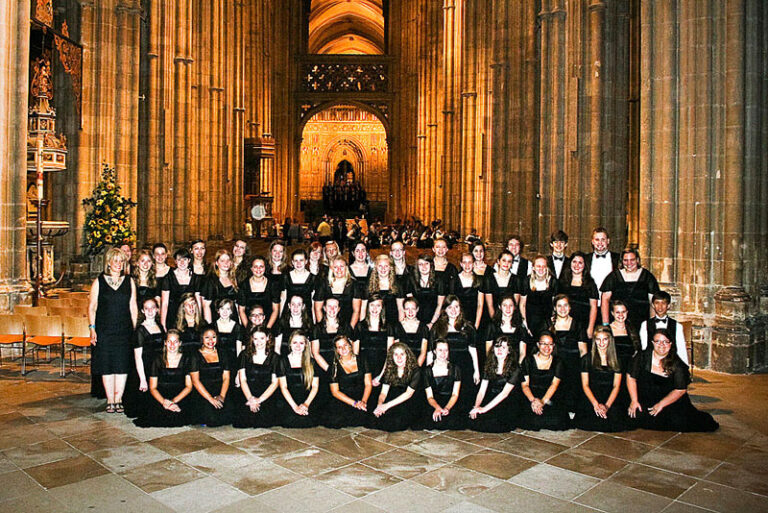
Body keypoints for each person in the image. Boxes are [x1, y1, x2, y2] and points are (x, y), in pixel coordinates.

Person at [627, 329, 718, 432]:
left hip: (669, 400)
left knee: (678, 422)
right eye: (658, 341)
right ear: (652, 343)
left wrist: (661, 404)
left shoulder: (677, 364)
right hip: (645, 397)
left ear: (671, 344)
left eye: (665, 341)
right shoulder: (642, 357)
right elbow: (631, 377)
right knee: (634, 416)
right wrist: (634, 401)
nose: (662, 345)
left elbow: (680, 390)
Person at [88, 247, 138, 413]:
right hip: (105, 329)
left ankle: (119, 399)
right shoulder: (99, 281)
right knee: (107, 365)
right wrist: (92, 329)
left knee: (122, 364)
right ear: (108, 262)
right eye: (115, 260)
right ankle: (110, 400)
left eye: (121, 261)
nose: (118, 264)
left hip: (124, 329)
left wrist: (134, 328)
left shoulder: (129, 281)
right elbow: (92, 307)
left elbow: (133, 306)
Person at [134, 329, 193, 427]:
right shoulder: (157, 359)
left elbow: (188, 387)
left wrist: (173, 402)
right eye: (169, 341)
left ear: (180, 343)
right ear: (165, 343)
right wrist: (164, 402)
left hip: (179, 395)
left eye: (175, 342)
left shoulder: (186, 359)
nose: (172, 345)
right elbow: (153, 388)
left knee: (182, 415)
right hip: (161, 394)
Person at [573, 327, 628, 432]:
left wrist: (607, 406)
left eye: (605, 339)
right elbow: (585, 385)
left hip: (610, 396)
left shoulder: (617, 359)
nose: (601, 343)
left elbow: (616, 386)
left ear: (610, 340)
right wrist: (596, 405)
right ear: (594, 341)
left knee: (615, 422)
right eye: (598, 339)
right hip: (592, 395)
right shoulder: (587, 359)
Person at [430, 296, 480, 400]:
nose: (453, 310)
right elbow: (431, 351)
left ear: (460, 308)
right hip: (445, 366)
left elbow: (473, 349)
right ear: (445, 309)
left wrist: (477, 370)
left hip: (465, 366)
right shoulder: (437, 327)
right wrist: (429, 372)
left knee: (465, 397)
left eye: (456, 307)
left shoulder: (469, 327)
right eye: (450, 307)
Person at [469, 336, 521, 432]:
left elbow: (504, 394)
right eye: (497, 346)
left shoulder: (515, 368)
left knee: (495, 423)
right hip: (492, 397)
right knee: (473, 419)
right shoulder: (489, 364)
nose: (499, 349)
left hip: (507, 401)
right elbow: (482, 390)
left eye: (503, 347)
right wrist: (477, 406)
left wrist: (484, 409)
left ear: (509, 351)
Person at [124, 297, 165, 419]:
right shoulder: (140, 331)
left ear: (157, 309)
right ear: (142, 311)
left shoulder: (160, 326)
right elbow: (138, 357)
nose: (150, 311)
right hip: (145, 368)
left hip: (158, 367)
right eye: (146, 308)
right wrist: (142, 379)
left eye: (153, 307)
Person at [519, 331, 569, 431]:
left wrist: (542, 401)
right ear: (538, 344)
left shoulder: (558, 362)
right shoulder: (528, 360)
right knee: (531, 420)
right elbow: (525, 386)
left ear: (554, 345)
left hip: (549, 396)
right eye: (544, 344)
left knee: (556, 421)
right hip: (531, 396)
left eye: (550, 344)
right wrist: (534, 401)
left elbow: (554, 385)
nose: (547, 347)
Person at [600, 248, 660, 330]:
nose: (629, 263)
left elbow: (652, 303)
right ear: (622, 261)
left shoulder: (647, 276)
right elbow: (605, 300)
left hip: (641, 322)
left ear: (637, 260)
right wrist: (606, 323)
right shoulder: (613, 276)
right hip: (618, 322)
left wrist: (651, 325)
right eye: (625, 260)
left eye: (632, 260)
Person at [550, 294, 589, 414]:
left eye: (565, 305)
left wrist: (584, 369)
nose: (562, 309)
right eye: (559, 306)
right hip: (554, 364)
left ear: (570, 307)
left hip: (573, 364)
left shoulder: (578, 324)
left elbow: (583, 350)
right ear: (555, 308)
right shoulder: (547, 324)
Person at [233, 327, 279, 428]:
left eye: (262, 338)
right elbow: (243, 379)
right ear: (252, 339)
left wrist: (259, 400)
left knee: (265, 421)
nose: (259, 342)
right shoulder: (244, 354)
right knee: (241, 422)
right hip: (248, 392)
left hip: (266, 394)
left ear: (267, 338)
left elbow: (274, 383)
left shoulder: (274, 357)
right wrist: (250, 398)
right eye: (255, 339)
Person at [323, 335, 373, 428]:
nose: (343, 349)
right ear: (336, 350)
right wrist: (354, 403)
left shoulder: (362, 360)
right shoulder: (334, 366)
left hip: (362, 395)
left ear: (350, 345)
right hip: (345, 398)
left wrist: (363, 401)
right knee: (335, 420)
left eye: (345, 345)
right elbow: (335, 392)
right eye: (339, 347)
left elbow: (368, 384)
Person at [371, 343, 422, 431]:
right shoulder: (389, 369)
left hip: (409, 399)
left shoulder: (416, 371)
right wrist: (380, 405)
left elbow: (408, 394)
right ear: (392, 357)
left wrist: (386, 406)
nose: (399, 358)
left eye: (402, 354)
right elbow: (383, 393)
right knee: (376, 417)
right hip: (394, 396)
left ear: (407, 355)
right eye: (396, 354)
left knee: (397, 423)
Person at [188, 327, 233, 426]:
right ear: (202, 339)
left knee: (229, 417)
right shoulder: (195, 355)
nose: (211, 340)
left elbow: (226, 377)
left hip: (220, 390)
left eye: (213, 337)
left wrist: (222, 396)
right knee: (212, 419)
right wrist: (211, 399)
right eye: (207, 337)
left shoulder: (223, 353)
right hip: (203, 392)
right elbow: (195, 381)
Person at [276, 330, 320, 428]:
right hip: (289, 398)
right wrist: (295, 407)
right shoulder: (282, 361)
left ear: (305, 345)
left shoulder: (312, 362)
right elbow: (283, 387)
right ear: (290, 344)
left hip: (307, 398)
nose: (298, 346)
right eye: (295, 342)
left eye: (301, 343)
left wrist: (306, 404)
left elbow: (315, 386)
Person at [419, 339, 466, 430]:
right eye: (440, 350)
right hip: (434, 402)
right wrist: (438, 408)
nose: (443, 353)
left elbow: (455, 394)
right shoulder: (427, 371)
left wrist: (446, 408)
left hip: (450, 401)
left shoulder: (455, 369)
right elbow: (430, 397)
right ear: (434, 351)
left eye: (446, 350)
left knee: (453, 422)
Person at [639, 291, 689, 365]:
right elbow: (644, 348)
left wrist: (685, 370)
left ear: (668, 306)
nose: (660, 307)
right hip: (651, 365)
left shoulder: (677, 326)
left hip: (671, 364)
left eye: (663, 303)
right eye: (657, 303)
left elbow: (681, 350)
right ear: (653, 305)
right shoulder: (645, 325)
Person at [354, 294, 394, 386]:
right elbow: (355, 354)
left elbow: (390, 354)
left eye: (378, 305)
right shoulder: (360, 326)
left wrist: (380, 377)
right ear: (368, 307)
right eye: (372, 305)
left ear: (382, 308)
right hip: (363, 371)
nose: (375, 309)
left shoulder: (388, 327)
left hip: (382, 371)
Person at [558, 252, 599, 339]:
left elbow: (593, 307)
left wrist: (590, 328)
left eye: (580, 262)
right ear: (570, 263)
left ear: (585, 265)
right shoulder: (562, 282)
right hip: (566, 323)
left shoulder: (590, 284)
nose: (577, 265)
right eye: (574, 262)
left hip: (584, 323)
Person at [313, 256, 361, 327]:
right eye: (335, 267)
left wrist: (350, 329)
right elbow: (317, 309)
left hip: (348, 325)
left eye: (341, 266)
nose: (339, 270)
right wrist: (323, 328)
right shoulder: (323, 283)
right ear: (331, 269)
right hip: (327, 326)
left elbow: (356, 311)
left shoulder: (354, 284)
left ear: (346, 268)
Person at [519, 255, 559, 339]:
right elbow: (522, 305)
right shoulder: (526, 281)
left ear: (547, 267)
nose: (541, 268)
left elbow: (556, 304)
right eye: (538, 266)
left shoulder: (553, 282)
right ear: (533, 267)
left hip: (547, 323)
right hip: (530, 322)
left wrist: (552, 323)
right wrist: (525, 324)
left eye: (544, 266)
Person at [238, 255, 280, 329]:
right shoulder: (244, 285)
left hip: (269, 323)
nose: (258, 269)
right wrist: (249, 328)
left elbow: (275, 310)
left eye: (261, 266)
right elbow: (241, 310)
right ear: (251, 268)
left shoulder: (273, 284)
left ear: (265, 268)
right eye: (255, 266)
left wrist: (267, 329)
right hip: (250, 323)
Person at [483, 295, 529, 363]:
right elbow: (488, 351)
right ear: (500, 307)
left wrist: (517, 368)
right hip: (496, 365)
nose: (508, 308)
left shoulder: (521, 327)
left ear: (514, 307)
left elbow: (522, 353)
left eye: (510, 305)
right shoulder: (492, 327)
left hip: (515, 366)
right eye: (504, 305)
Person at [160, 248, 198, 330]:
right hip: (173, 316)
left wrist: (200, 321)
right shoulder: (168, 278)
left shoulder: (195, 278)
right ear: (175, 262)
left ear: (189, 260)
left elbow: (198, 302)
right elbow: (164, 303)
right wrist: (163, 324)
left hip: (190, 317)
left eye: (184, 259)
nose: (182, 262)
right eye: (179, 260)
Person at [200, 249, 239, 324]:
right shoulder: (211, 280)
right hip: (216, 321)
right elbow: (206, 306)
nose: (226, 263)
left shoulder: (233, 278)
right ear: (217, 263)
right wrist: (209, 326)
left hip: (232, 319)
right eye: (222, 260)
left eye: (228, 260)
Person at [408, 254, 446, 328]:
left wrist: (432, 323)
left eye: (426, 264)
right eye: (421, 264)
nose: (424, 267)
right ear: (417, 266)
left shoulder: (439, 280)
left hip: (435, 319)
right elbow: (410, 304)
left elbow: (440, 305)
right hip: (416, 320)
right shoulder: (411, 280)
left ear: (431, 265)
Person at [367, 254, 405, 323]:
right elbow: (363, 309)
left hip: (392, 324)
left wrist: (400, 327)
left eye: (386, 266)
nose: (383, 269)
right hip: (373, 324)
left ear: (390, 268)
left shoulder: (397, 285)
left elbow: (401, 309)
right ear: (376, 267)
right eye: (380, 266)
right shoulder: (369, 285)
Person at [452, 253, 485, 331]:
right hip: (457, 317)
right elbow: (451, 303)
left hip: (474, 318)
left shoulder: (479, 280)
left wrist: (476, 325)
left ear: (473, 264)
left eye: (469, 262)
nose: (467, 265)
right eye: (464, 262)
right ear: (461, 264)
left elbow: (480, 305)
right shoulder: (454, 280)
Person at [392, 297, 430, 367]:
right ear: (403, 310)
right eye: (407, 309)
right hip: (401, 366)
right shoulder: (397, 327)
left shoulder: (424, 328)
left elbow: (423, 353)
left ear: (417, 309)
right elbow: (397, 351)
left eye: (413, 309)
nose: (410, 312)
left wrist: (415, 370)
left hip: (418, 367)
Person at [483, 250, 520, 319]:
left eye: (509, 261)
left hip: (510, 318)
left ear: (512, 264)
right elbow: (490, 305)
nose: (506, 263)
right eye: (504, 260)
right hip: (493, 318)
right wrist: (496, 323)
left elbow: (515, 305)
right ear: (498, 261)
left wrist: (508, 322)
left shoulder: (516, 280)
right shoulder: (489, 279)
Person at [279, 249, 316, 317]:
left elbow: (313, 302)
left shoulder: (313, 278)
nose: (298, 263)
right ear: (292, 262)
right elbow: (283, 299)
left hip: (306, 315)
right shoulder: (286, 277)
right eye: (296, 261)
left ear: (306, 261)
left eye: (301, 260)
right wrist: (280, 316)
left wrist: (313, 319)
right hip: (289, 314)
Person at [609, 300, 641, 371]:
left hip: (630, 368)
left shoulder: (632, 329)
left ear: (627, 312)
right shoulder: (607, 330)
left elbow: (637, 350)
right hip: (613, 368)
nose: (621, 315)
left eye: (623, 312)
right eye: (617, 312)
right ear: (612, 313)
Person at [214, 298, 243, 362]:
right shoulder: (213, 326)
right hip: (217, 360)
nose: (225, 312)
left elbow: (239, 350)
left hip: (232, 361)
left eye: (228, 309)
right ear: (218, 310)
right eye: (222, 309)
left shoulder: (237, 327)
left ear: (231, 311)